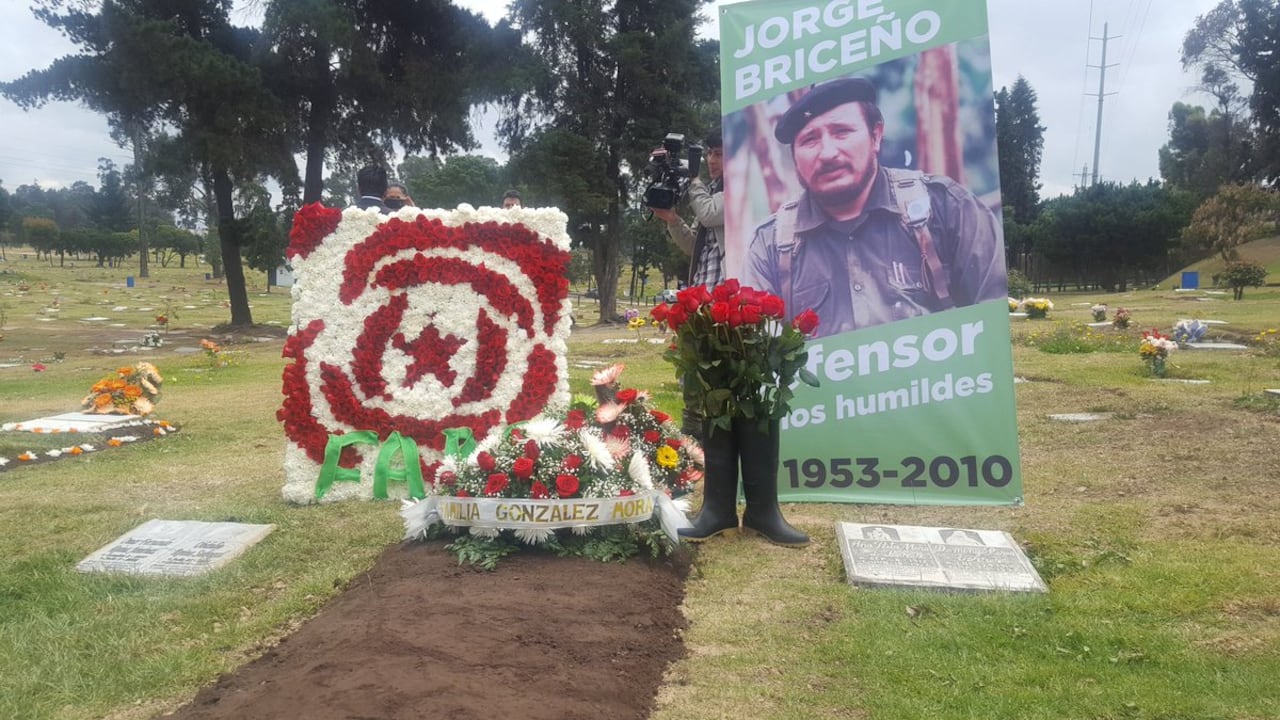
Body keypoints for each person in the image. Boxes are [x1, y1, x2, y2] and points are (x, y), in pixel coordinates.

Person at [741, 77, 1007, 338]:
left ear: (876, 135)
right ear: (795, 158)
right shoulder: (770, 246)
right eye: (810, 140)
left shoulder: (946, 207)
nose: (828, 153)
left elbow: (993, 327)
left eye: (842, 132)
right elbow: (756, 351)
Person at [649, 128, 725, 289]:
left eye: (718, 154)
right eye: (709, 153)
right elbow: (693, 246)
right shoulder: (709, 191)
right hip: (701, 288)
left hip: (725, 294)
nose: (711, 160)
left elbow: (709, 215)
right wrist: (673, 220)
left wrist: (694, 179)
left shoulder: (739, 186)